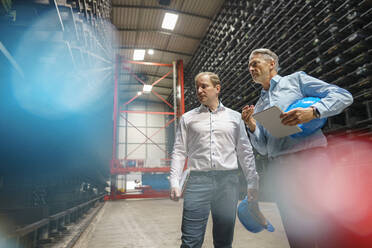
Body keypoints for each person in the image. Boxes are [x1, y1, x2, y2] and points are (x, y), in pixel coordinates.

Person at [242, 48, 353, 248]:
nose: (251, 68)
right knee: (297, 233)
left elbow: (343, 96)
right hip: (281, 168)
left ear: (271, 64)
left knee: (326, 226)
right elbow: (264, 148)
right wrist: (251, 127)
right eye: (249, 66)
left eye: (255, 63)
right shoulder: (259, 106)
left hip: (311, 161)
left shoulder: (296, 81)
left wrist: (314, 111)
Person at [170, 72, 259, 248]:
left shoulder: (235, 118)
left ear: (217, 88)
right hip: (197, 182)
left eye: (204, 86)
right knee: (190, 241)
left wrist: (252, 182)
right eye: (197, 87)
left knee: (224, 241)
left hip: (228, 182)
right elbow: (179, 151)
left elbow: (245, 152)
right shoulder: (188, 119)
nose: (199, 90)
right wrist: (174, 181)